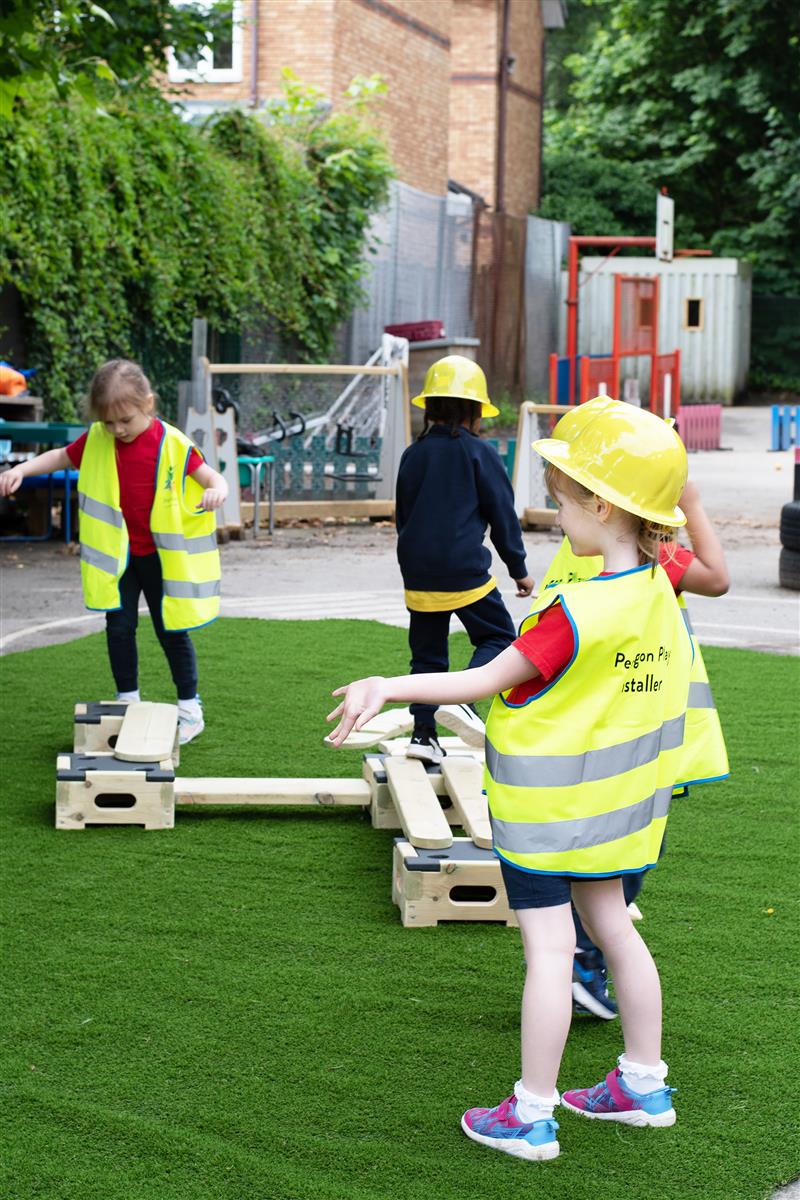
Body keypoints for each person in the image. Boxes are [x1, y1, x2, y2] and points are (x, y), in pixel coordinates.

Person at [328, 398, 697, 1162]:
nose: (557, 515)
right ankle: (643, 1083)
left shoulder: (572, 612)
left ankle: (531, 1114)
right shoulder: (660, 590)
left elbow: (483, 680)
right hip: (625, 818)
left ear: (601, 504)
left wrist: (386, 687)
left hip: (548, 819)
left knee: (550, 954)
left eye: (562, 501)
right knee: (617, 931)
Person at [527, 401, 730, 1021]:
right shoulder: (652, 560)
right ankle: (584, 964)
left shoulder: (580, 541)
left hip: (572, 735)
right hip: (635, 740)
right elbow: (718, 578)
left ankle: (574, 959)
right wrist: (690, 503)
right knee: (616, 873)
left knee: (581, 873)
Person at [0, 359, 226, 743]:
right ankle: (127, 699)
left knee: (171, 630)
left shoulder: (172, 443)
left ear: (148, 405)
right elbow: (61, 456)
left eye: (126, 421)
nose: (117, 430)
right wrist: (22, 469)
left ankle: (190, 706)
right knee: (118, 629)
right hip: (120, 560)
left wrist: (216, 488)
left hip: (160, 558)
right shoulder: (97, 439)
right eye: (109, 423)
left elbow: (209, 475)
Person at [395, 355, 533, 763]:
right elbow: (502, 516)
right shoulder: (480, 453)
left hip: (417, 571)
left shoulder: (413, 454)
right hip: (463, 570)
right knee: (500, 638)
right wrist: (519, 571)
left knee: (427, 657)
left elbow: (403, 515)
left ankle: (424, 736)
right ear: (476, 410)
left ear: (430, 408)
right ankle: (463, 701)